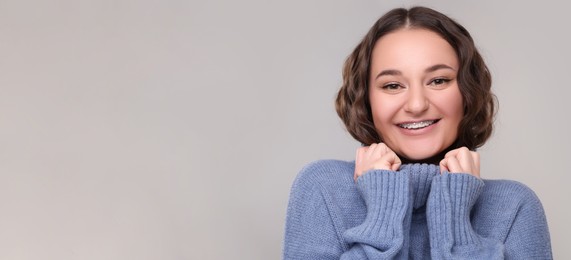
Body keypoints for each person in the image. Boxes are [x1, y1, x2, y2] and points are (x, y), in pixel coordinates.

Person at [283, 6, 552, 260]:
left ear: (467, 93)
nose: (416, 105)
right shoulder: (323, 188)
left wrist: (456, 227)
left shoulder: (515, 207)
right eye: (392, 85)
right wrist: (382, 213)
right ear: (366, 99)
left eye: (438, 80)